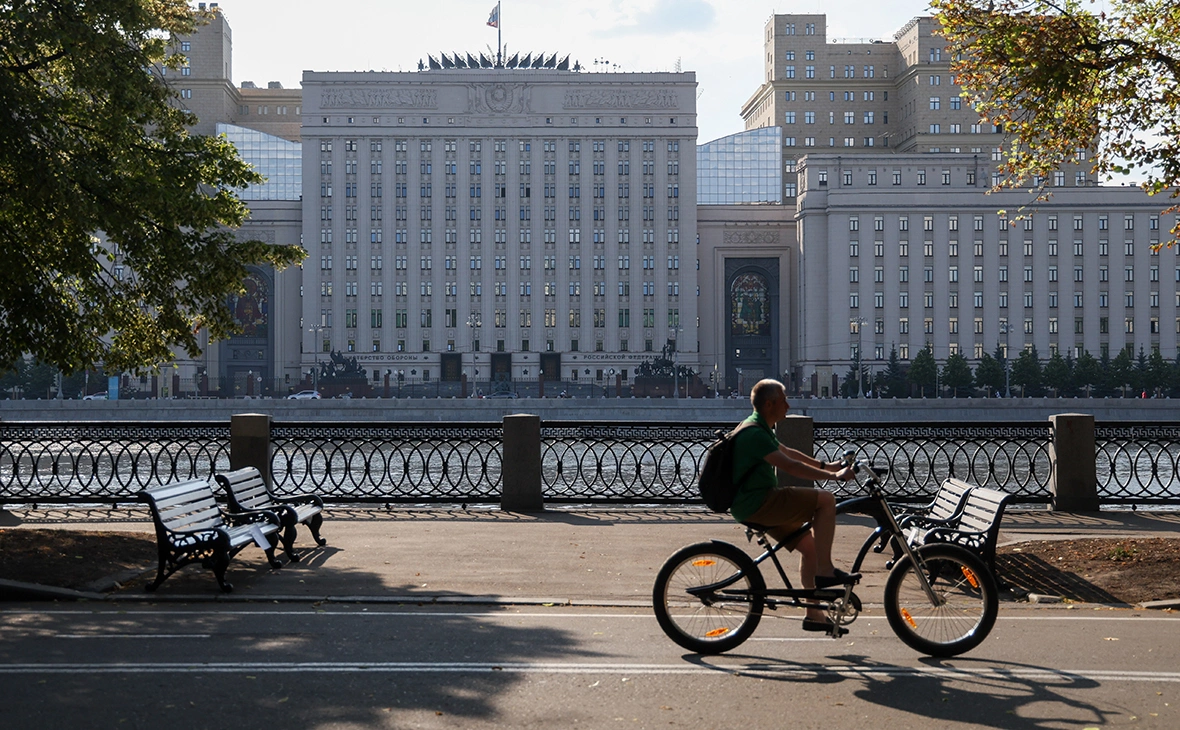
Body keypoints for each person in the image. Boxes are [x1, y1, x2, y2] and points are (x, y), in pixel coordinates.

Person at [729, 379, 858, 634]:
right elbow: (790, 467)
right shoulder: (755, 432)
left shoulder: (758, 424)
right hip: (760, 502)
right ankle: (825, 570)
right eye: (784, 400)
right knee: (826, 500)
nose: (788, 405)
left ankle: (814, 615)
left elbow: (788, 452)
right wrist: (834, 478)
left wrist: (827, 466)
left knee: (810, 548)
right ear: (769, 404)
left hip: (754, 502)